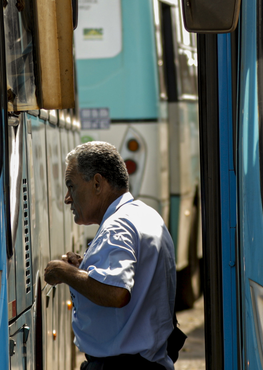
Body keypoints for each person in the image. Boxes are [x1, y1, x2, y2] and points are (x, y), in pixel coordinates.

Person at [43, 141, 178, 370]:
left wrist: (64, 273)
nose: (67, 198)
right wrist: (83, 269)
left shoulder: (118, 226)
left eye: (71, 186)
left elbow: (116, 293)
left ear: (97, 183)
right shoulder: (144, 214)